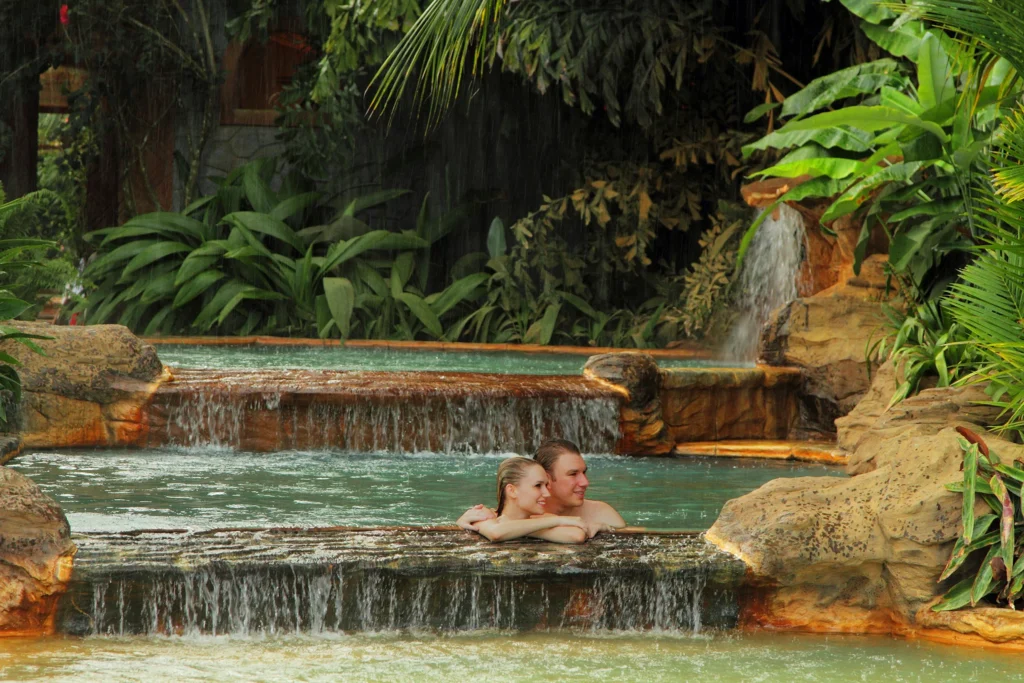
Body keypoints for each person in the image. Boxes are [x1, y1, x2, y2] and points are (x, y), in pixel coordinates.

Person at [457, 439, 626, 536]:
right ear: (546, 478)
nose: (585, 482)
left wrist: (604, 527)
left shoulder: (601, 512)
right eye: (573, 474)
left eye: (584, 473)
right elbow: (497, 525)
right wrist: (462, 523)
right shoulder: (506, 514)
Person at [472, 457, 593, 543]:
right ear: (512, 491)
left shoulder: (543, 519)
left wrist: (522, 529)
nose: (546, 493)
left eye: (546, 485)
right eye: (537, 486)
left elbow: (577, 535)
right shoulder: (484, 515)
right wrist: (558, 521)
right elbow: (496, 533)